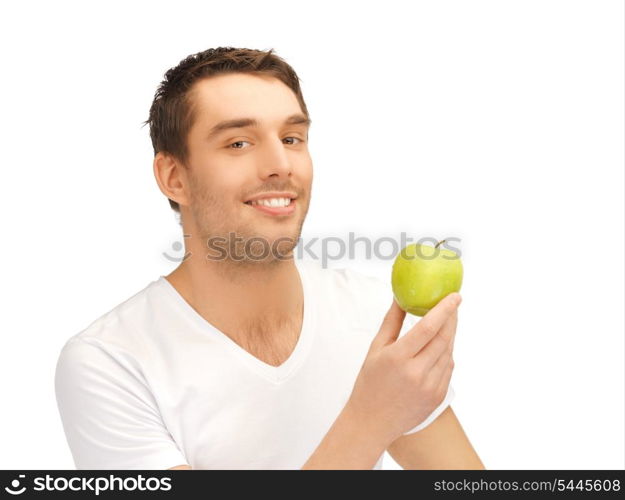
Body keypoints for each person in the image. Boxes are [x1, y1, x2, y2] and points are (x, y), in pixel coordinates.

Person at [54, 47, 485, 470]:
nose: (280, 164)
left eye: (292, 138)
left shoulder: (370, 316)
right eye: (239, 142)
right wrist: (370, 419)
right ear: (174, 178)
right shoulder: (109, 363)